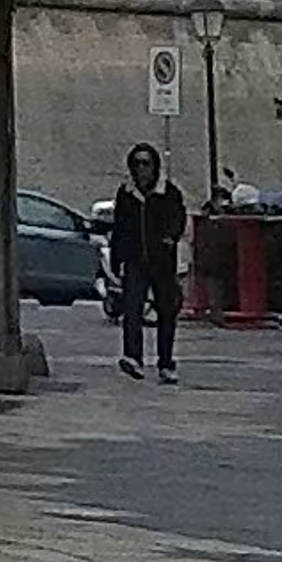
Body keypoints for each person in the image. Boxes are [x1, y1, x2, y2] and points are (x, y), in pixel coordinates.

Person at [105, 138, 188, 381]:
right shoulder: (126, 194)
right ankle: (133, 357)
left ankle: (165, 362)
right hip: (135, 261)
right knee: (132, 309)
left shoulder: (169, 192)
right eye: (138, 164)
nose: (142, 169)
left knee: (166, 312)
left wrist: (170, 238)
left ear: (155, 166)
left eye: (146, 163)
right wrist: (116, 259)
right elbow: (120, 227)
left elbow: (178, 218)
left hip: (162, 262)